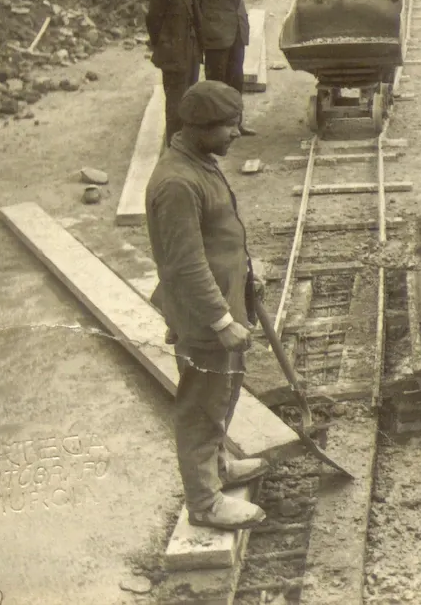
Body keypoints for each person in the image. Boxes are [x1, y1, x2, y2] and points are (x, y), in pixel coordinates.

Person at [146, 80, 267, 531]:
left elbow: (217, 237)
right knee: (201, 406)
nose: (235, 134)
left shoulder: (200, 162)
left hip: (223, 304)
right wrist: (219, 319)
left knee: (223, 393)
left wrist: (248, 277)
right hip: (204, 317)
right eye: (228, 126)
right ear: (198, 128)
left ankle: (217, 467)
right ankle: (205, 503)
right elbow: (186, 262)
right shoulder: (178, 182)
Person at [189, 0, 256, 136]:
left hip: (236, 30)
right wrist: (203, 31)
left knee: (236, 79)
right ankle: (216, 129)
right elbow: (195, 0)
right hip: (216, 33)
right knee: (217, 82)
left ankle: (236, 124)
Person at [146, 0, 204, 145]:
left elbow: (195, 15)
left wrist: (198, 47)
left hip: (190, 51)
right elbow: (153, 21)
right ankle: (174, 145)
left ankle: (186, 141)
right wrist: (166, 47)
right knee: (175, 103)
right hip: (174, 55)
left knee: (189, 97)